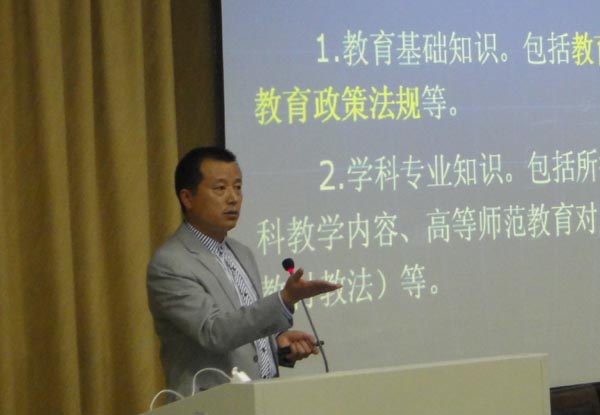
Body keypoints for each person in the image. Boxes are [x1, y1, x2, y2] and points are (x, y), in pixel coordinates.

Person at [147, 146, 340, 397]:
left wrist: (276, 346)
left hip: (260, 401)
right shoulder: (171, 263)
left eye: (237, 187)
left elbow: (241, 330)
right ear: (187, 198)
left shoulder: (242, 253)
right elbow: (214, 332)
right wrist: (284, 300)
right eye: (220, 188)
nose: (233, 198)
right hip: (210, 406)